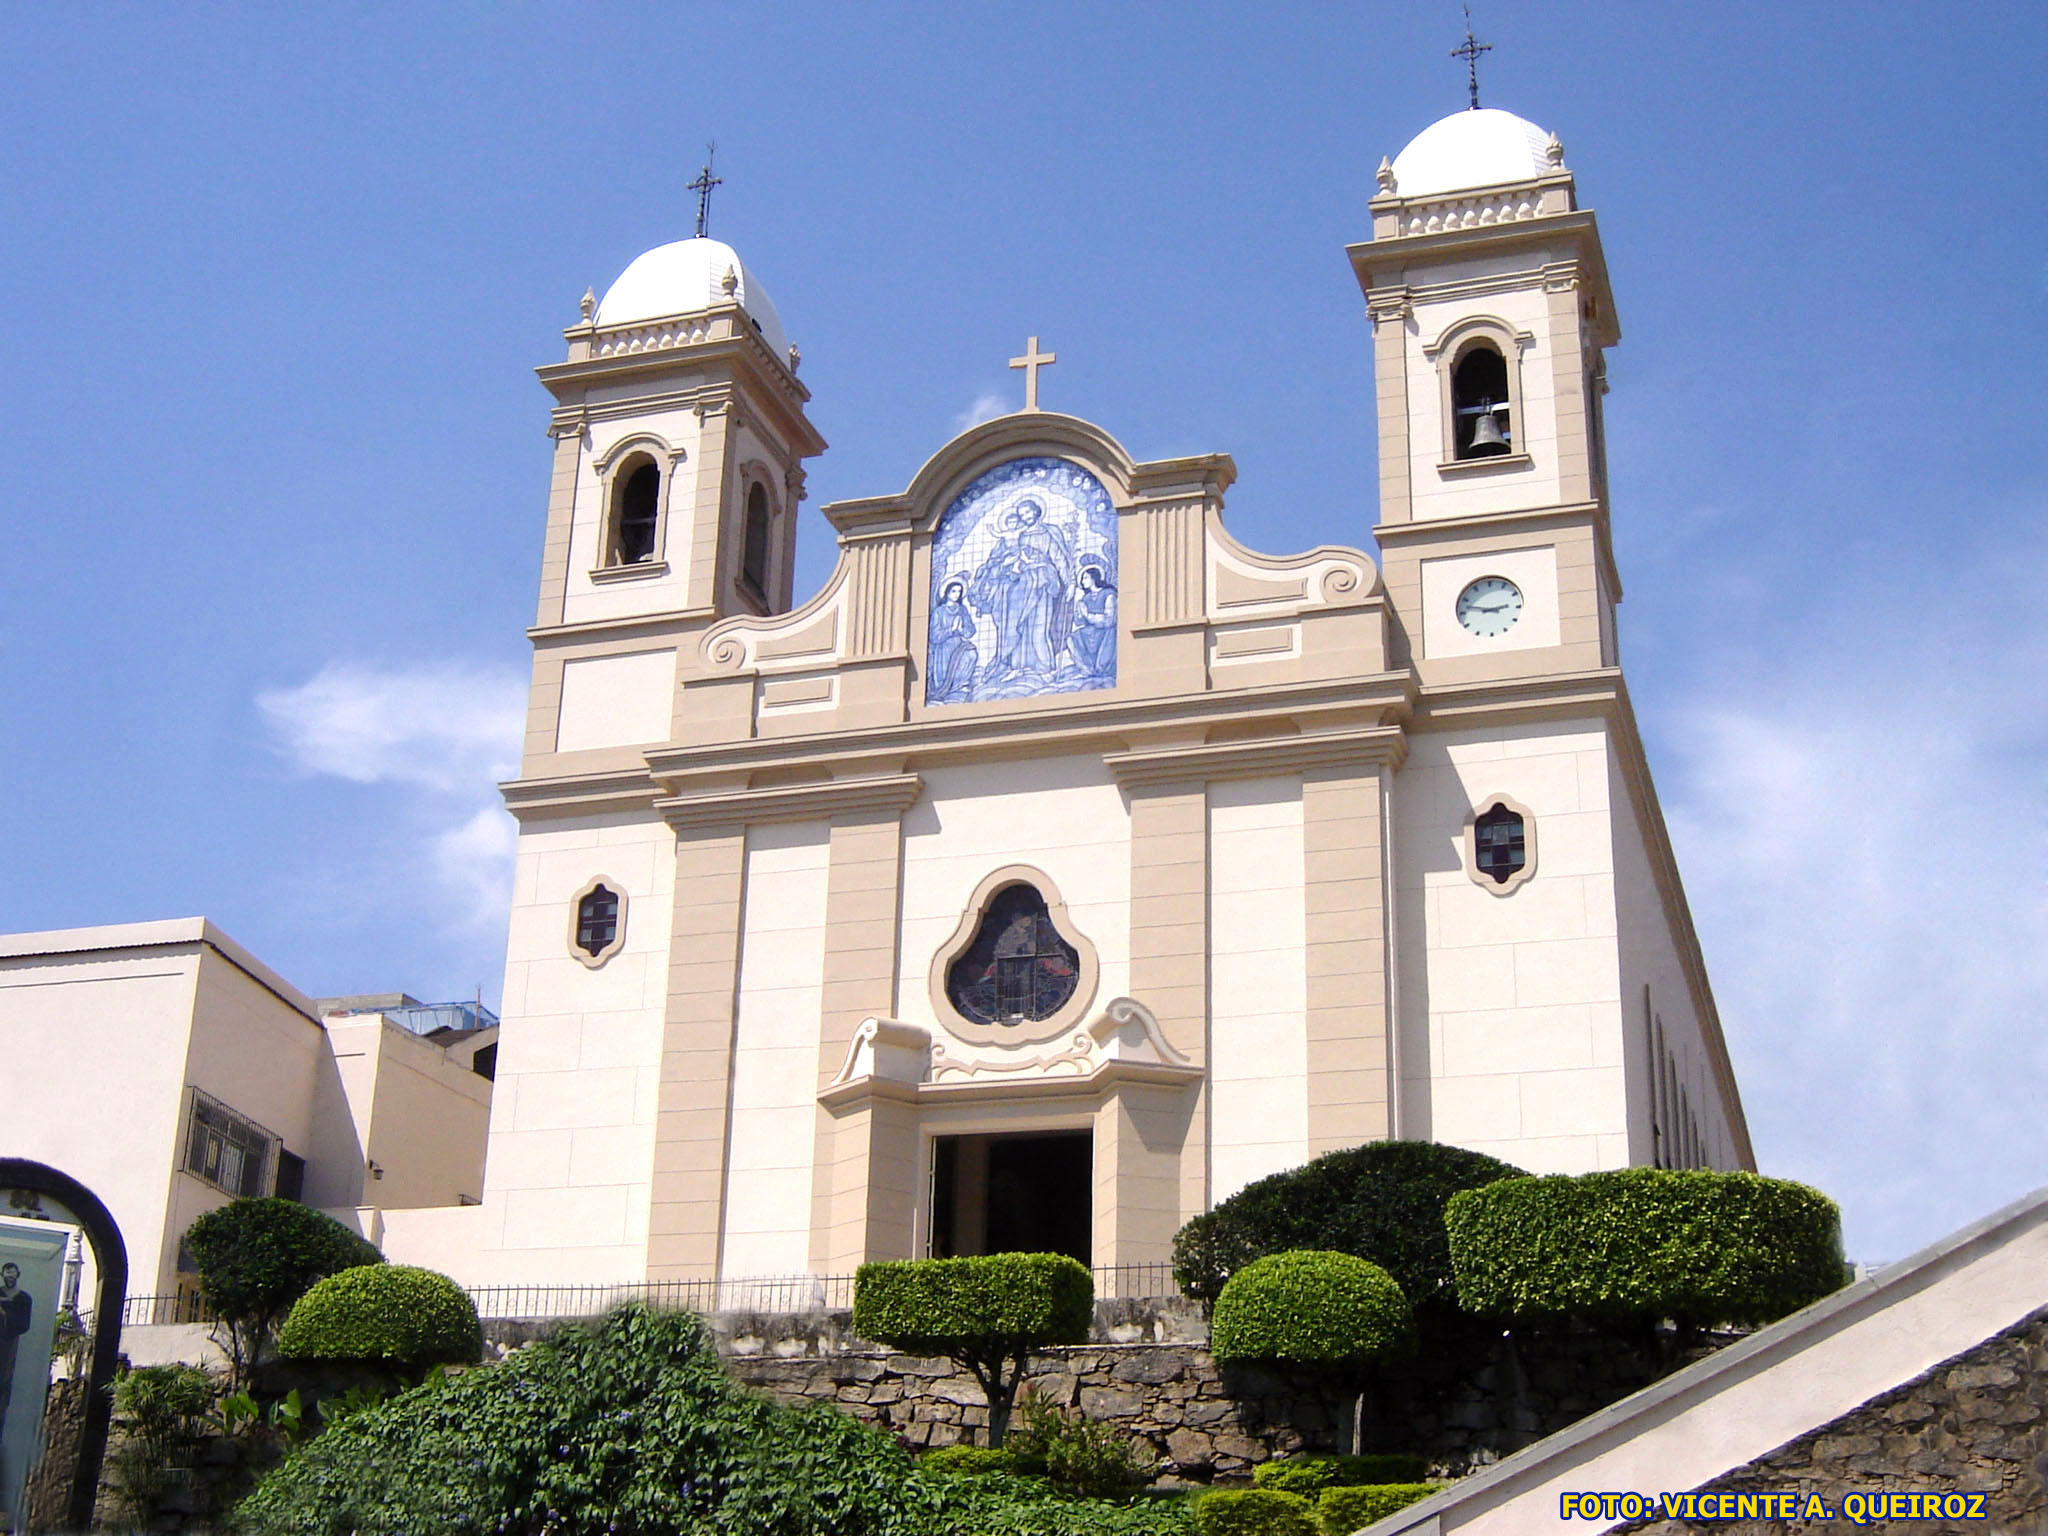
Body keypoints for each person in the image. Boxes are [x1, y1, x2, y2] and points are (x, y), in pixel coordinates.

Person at [968, 497, 1074, 687]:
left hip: (1041, 584)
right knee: (1017, 627)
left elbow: (1059, 559)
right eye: (1022, 513)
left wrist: (1070, 583)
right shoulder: (1016, 535)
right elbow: (997, 560)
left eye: (1028, 512)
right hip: (1017, 588)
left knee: (1038, 626)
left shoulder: (1049, 532)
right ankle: (1017, 667)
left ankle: (1045, 668)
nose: (1025, 516)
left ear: (1037, 511)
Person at [926, 576, 980, 703]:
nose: (956, 594)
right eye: (953, 591)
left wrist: (961, 630)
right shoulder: (939, 612)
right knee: (946, 672)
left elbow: (971, 629)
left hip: (959, 643)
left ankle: (960, 686)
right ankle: (946, 690)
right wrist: (951, 629)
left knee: (971, 653)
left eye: (959, 592)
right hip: (944, 648)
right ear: (947, 592)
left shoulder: (962, 609)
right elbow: (934, 635)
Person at [1070, 562, 1117, 678]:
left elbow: (1109, 620)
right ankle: (1087, 670)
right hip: (1090, 632)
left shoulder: (1108, 594)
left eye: (1085, 578)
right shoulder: (1085, 598)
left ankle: (1101, 669)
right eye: (1081, 579)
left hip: (1105, 632)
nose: (1082, 581)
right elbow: (1080, 622)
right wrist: (1078, 612)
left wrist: (1088, 615)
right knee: (1071, 639)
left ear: (1094, 578)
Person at [0, 1260, 29, 1443]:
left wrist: (5, 1315)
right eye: (6, 1272)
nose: (10, 1276)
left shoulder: (24, 1299)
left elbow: (23, 1324)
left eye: (13, 1272)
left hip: (8, 1344)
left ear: (17, 1274)